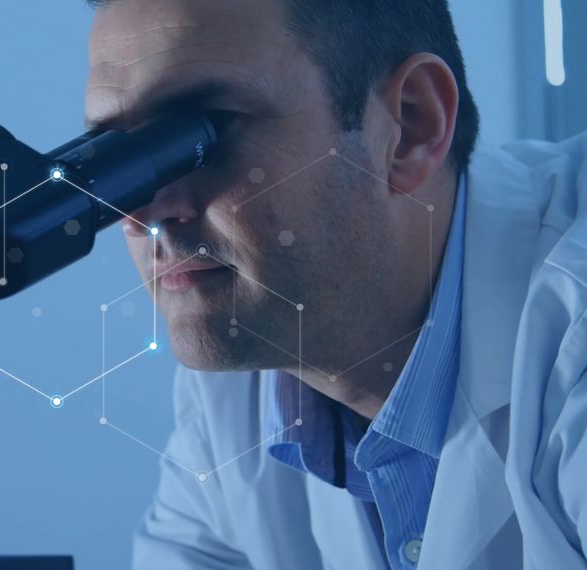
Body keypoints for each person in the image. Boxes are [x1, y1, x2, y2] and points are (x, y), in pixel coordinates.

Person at [84, 0, 587, 568]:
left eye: (202, 135)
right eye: (116, 156)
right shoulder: (238, 383)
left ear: (409, 128)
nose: (143, 213)